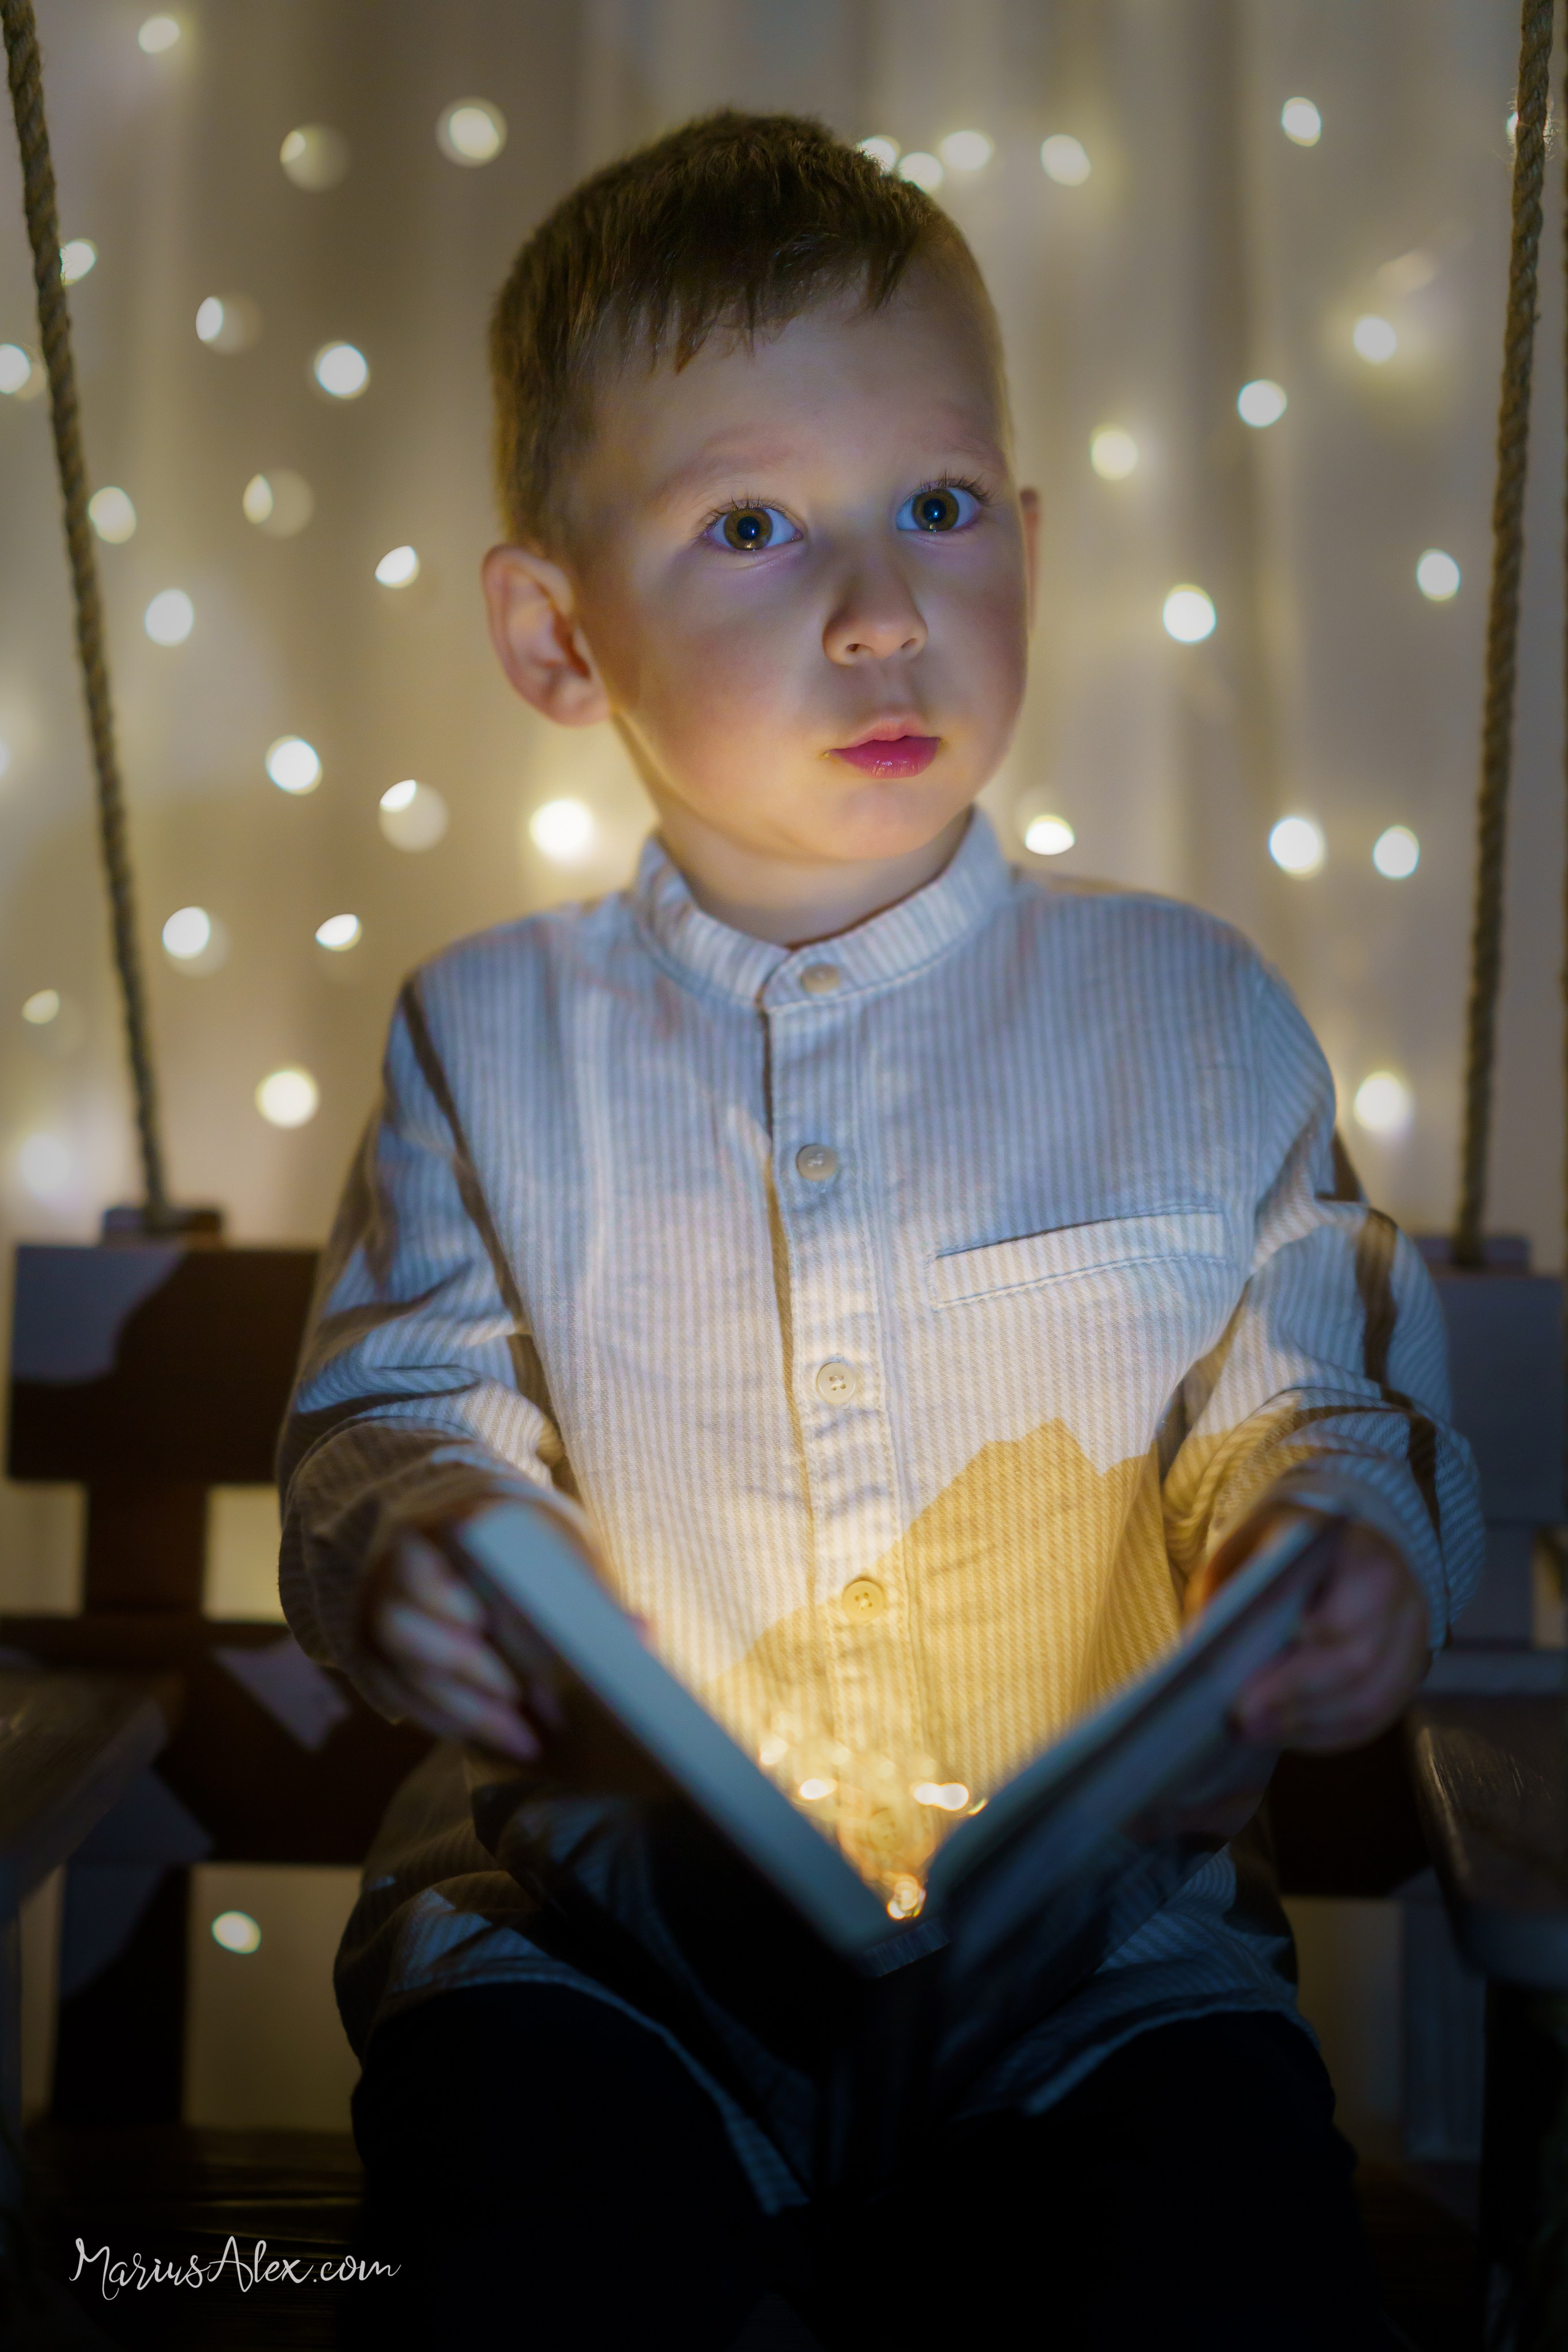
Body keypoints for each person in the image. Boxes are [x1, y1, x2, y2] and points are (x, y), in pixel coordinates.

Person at [279, 109, 1482, 2350]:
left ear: (1027, 537)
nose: (878, 607)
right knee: (521, 2261)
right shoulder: (487, 1037)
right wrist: (419, 1536)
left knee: (1228, 2266)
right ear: (554, 632)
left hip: (1093, 1972)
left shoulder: (1190, 1009)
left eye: (937, 509)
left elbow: (1314, 1379)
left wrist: (1335, 1550)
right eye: (751, 525)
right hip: (592, 1951)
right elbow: (396, 1408)